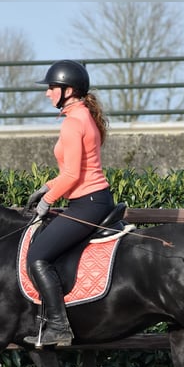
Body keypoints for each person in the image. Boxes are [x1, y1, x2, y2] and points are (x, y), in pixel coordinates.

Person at [24, 59, 115, 348]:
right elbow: (75, 172)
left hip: (87, 204)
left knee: (37, 256)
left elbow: (74, 175)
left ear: (69, 90)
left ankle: (59, 327)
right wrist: (47, 187)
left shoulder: (73, 123)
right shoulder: (84, 116)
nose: (48, 94)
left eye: (52, 88)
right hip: (92, 199)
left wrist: (48, 201)